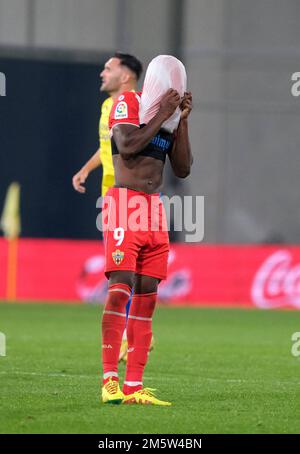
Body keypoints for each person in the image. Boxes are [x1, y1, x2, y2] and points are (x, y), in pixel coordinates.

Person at [101, 55, 193, 406]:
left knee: (148, 296)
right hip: (125, 204)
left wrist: (181, 120)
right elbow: (127, 146)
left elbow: (182, 169)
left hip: (153, 209)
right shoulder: (127, 103)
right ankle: (109, 379)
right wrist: (161, 115)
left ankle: (134, 386)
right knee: (119, 290)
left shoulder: (166, 115)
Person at [72, 53, 146, 361]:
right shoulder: (107, 106)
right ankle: (133, 333)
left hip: (131, 193)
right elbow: (107, 146)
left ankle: (133, 334)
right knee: (119, 269)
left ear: (126, 76)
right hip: (110, 193)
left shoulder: (138, 104)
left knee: (125, 269)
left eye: (108, 68)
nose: (102, 73)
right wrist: (87, 169)